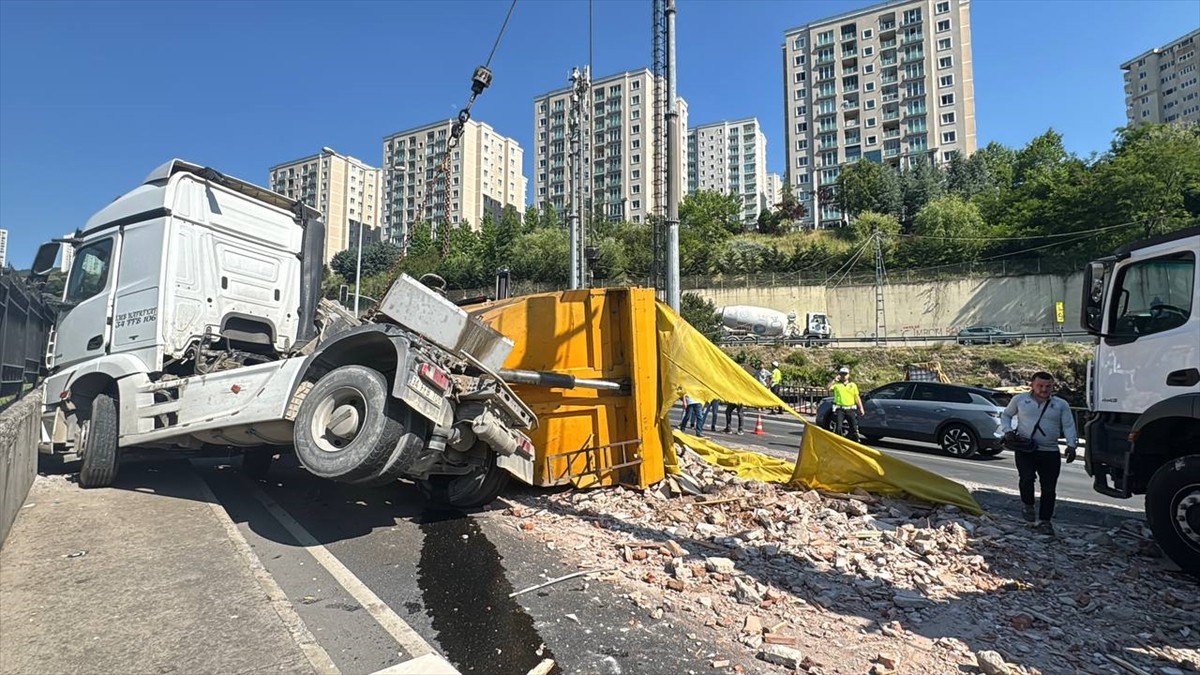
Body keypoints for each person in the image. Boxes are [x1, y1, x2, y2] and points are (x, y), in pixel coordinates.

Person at [1001, 371, 1078, 535]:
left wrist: (1072, 445)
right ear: (1032, 385)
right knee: (1026, 478)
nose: (1044, 389)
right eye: (1040, 386)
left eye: (1048, 386)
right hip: (1026, 449)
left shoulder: (1060, 404)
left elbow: (1069, 425)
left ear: (1053, 386)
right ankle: (1028, 504)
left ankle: (1045, 521)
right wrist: (1007, 430)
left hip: (1050, 451)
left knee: (1049, 488)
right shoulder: (1020, 400)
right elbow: (1006, 414)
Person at [827, 366, 864, 442]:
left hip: (850, 409)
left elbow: (856, 397)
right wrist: (834, 380)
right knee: (838, 427)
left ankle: (853, 441)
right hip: (840, 409)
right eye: (842, 374)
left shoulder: (853, 385)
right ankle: (837, 441)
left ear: (848, 375)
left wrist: (861, 408)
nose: (843, 376)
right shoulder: (836, 385)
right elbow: (827, 388)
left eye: (845, 374)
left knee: (854, 427)